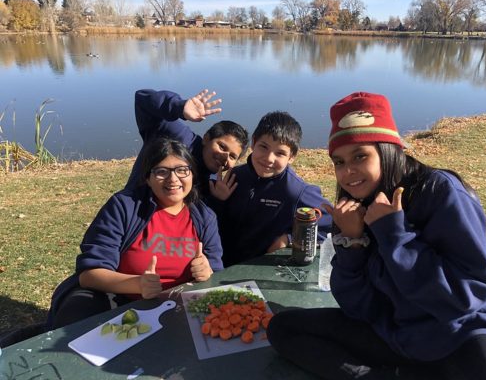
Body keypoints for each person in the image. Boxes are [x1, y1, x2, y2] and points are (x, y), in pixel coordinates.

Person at [266, 92, 486, 380]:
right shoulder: (354, 210)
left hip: (461, 334)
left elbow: (467, 295)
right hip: (397, 336)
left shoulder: (439, 192)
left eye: (360, 156)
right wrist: (352, 244)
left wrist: (396, 236)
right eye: (339, 162)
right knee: (284, 329)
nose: (348, 172)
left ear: (388, 150)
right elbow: (358, 309)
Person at [46, 137, 223, 330]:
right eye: (161, 171)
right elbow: (88, 275)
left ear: (192, 175)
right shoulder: (124, 207)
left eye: (182, 170)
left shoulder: (204, 217)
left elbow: (215, 273)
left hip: (179, 308)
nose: (173, 179)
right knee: (76, 312)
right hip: (123, 303)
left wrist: (207, 271)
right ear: (147, 177)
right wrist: (137, 284)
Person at [209, 110, 332, 267]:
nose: (269, 158)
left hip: (259, 268)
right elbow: (212, 222)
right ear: (253, 143)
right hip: (221, 263)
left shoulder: (296, 191)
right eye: (263, 147)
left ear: (292, 156)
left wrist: (289, 238)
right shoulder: (235, 176)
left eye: (280, 153)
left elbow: (330, 225)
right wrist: (218, 201)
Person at [126, 88, 249, 199]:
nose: (224, 157)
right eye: (222, 146)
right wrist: (179, 107)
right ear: (206, 138)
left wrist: (218, 200)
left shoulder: (214, 186)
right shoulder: (178, 137)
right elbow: (142, 98)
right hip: (128, 215)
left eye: (232, 156)